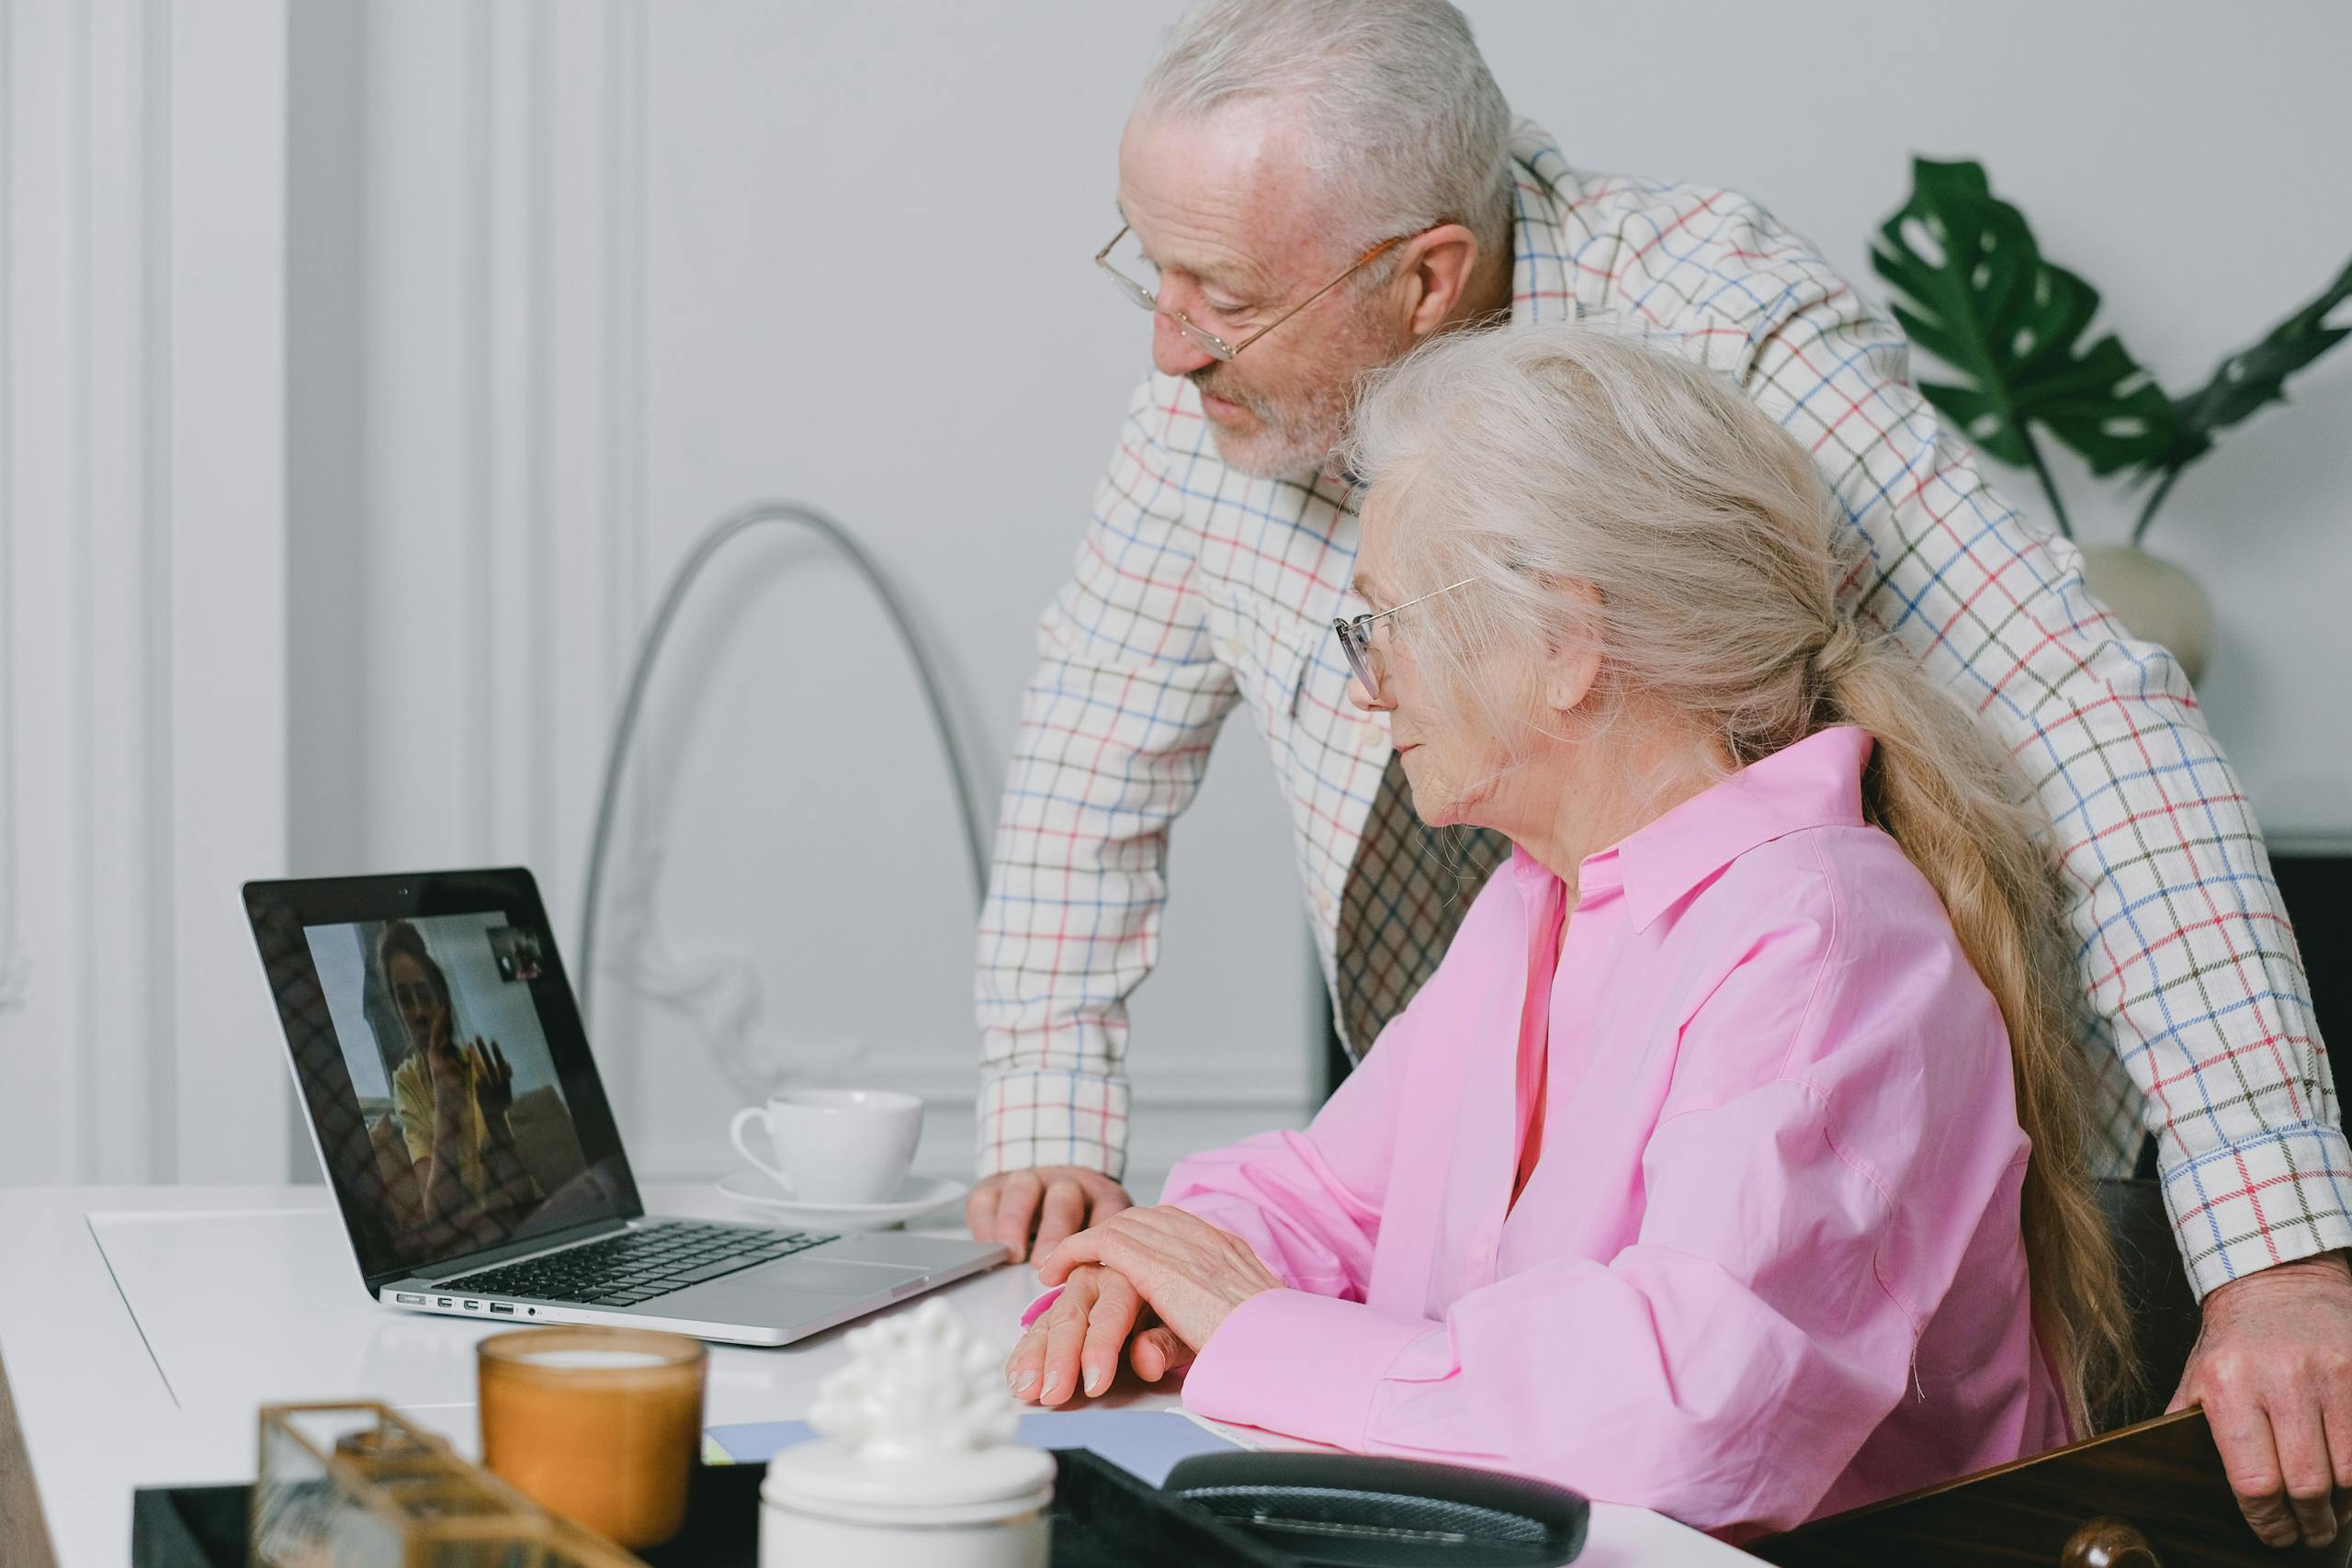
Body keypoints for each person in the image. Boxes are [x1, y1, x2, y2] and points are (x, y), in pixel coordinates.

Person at [967, 0, 2352, 1544]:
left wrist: (2278, 1252)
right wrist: (1127, 1235)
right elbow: (1098, 744)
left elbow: (2091, 726)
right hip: (1514, 1432)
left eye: (1219, 292)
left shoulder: (1818, 935)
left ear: (1422, 275)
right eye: (1152, 267)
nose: (1166, 340)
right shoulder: (1539, 908)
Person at [1007, 324, 2132, 1535]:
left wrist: (1256, 1326)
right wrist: (1156, 1274)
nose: (1368, 680)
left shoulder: (1828, 942)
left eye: (1383, 620)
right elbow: (1334, 1196)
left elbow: (1682, 1418)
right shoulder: (1533, 899)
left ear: (1565, 641)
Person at [379, 919, 542, 1238]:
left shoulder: (476, 1065)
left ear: (443, 1002)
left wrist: (496, 1118)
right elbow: (437, 1217)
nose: (418, 1012)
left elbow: (523, 1196)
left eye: (425, 995)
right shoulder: (407, 1083)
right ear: (397, 1010)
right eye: (404, 999)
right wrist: (446, 1095)